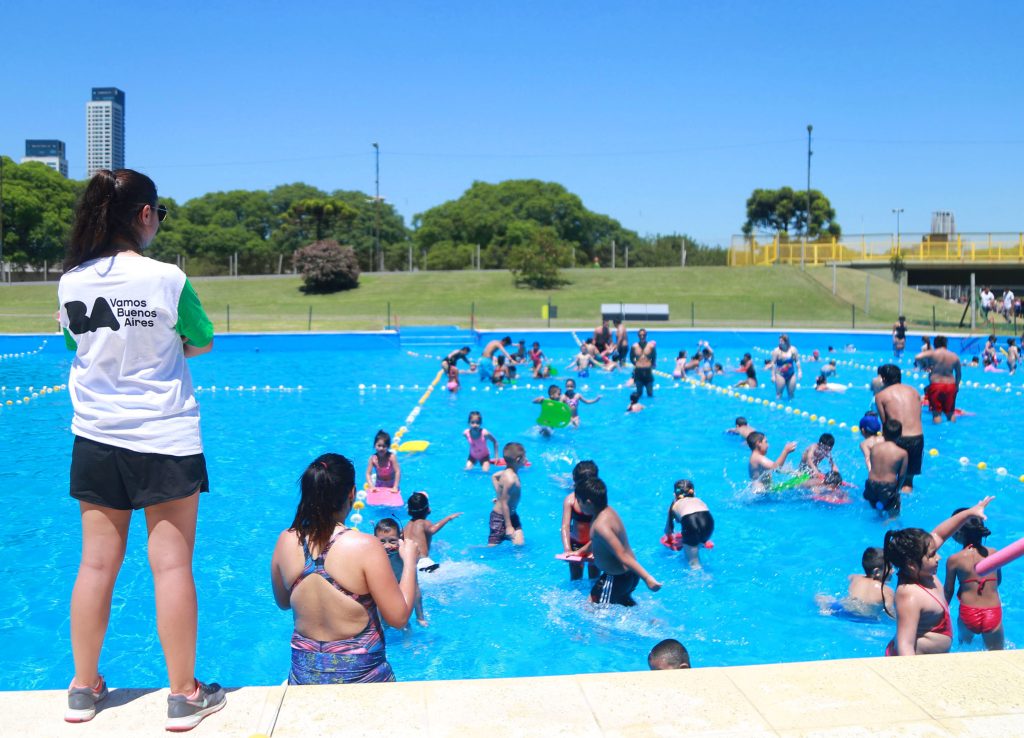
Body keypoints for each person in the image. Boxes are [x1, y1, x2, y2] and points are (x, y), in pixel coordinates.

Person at [58, 169, 224, 729]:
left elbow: (79, 345)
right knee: (171, 565)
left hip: (96, 435)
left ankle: (83, 688)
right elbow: (200, 340)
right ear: (145, 215)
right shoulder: (167, 278)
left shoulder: (70, 282)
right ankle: (183, 694)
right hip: (164, 436)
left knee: (95, 564)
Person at [271, 454, 420, 683]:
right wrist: (409, 562)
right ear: (351, 494)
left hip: (304, 677)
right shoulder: (365, 546)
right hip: (362, 678)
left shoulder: (285, 540)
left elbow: (283, 602)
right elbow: (398, 618)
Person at [881, 497, 995, 656]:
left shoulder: (921, 567)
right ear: (911, 565)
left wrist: (969, 513)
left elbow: (940, 534)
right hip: (916, 664)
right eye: (932, 555)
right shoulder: (910, 595)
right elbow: (905, 644)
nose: (939, 557)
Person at [575, 477, 662, 606]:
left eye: (579, 502)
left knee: (592, 610)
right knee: (624, 603)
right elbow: (599, 540)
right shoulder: (607, 512)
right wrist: (583, 551)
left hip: (615, 577)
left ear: (588, 502)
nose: (578, 505)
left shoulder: (601, 526)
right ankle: (654, 622)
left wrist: (647, 578)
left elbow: (622, 555)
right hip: (626, 576)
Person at [943, 510, 1005, 650]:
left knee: (964, 651)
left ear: (958, 533)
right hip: (992, 612)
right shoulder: (995, 553)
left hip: (968, 613)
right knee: (998, 655)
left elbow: (948, 591)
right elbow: (998, 581)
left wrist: (942, 614)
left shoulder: (954, 560)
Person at [874, 364, 923, 493]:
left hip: (897, 438)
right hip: (917, 438)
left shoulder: (881, 396)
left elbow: (885, 424)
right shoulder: (914, 392)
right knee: (908, 482)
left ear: (883, 379)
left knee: (888, 477)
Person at [815, 547, 895, 620]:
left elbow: (850, 576)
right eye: (890, 567)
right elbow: (890, 613)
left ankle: (825, 609)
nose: (893, 571)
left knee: (822, 597)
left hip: (842, 610)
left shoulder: (856, 578)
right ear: (876, 572)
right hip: (864, 619)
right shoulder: (887, 591)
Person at [373, 518, 427, 627]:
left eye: (392, 541)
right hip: (383, 592)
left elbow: (416, 591)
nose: (387, 546)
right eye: (382, 541)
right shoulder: (374, 557)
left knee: (405, 625)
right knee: (382, 621)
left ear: (400, 538)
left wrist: (420, 617)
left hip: (400, 589)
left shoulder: (405, 557)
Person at [560, 460, 600, 581]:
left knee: (594, 578)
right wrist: (567, 549)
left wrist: (593, 547)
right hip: (575, 544)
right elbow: (565, 527)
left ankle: (592, 599)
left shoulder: (597, 502)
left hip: (594, 544)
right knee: (576, 578)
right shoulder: (570, 500)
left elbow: (598, 531)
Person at [405, 492, 461, 573]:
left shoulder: (407, 526)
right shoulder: (423, 523)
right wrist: (448, 518)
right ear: (428, 509)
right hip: (424, 563)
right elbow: (433, 529)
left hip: (409, 564)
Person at [664, 479, 714, 570]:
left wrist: (670, 541)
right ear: (693, 493)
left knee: (694, 564)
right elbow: (699, 519)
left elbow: (668, 530)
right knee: (697, 542)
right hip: (708, 522)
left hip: (689, 522)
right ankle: (699, 544)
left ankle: (704, 581)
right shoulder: (698, 500)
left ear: (674, 495)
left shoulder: (674, 505)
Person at [864, 419, 909, 516]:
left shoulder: (874, 448)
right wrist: (897, 490)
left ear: (883, 433)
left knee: (877, 510)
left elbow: (873, 466)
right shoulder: (902, 453)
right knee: (894, 514)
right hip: (888, 487)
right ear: (900, 435)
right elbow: (902, 476)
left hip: (871, 485)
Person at [914, 335, 961, 424]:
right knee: (950, 413)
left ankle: (938, 435)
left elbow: (917, 357)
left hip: (936, 385)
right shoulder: (954, 356)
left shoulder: (933, 353)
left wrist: (924, 365)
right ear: (946, 344)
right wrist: (957, 385)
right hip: (950, 385)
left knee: (936, 414)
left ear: (935, 344)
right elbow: (958, 374)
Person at [488, 442, 527, 546]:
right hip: (500, 519)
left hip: (512, 515)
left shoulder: (510, 472)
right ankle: (472, 551)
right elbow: (505, 503)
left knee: (520, 545)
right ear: (518, 460)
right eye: (525, 457)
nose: (526, 460)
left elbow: (494, 476)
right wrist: (509, 526)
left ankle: (520, 562)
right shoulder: (510, 479)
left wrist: (499, 496)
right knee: (492, 549)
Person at [770, 334, 801, 400]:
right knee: (779, 394)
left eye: (781, 341)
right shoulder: (776, 351)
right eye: (779, 341)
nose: (780, 343)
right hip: (780, 374)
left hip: (791, 374)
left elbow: (797, 361)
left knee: (791, 394)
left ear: (786, 342)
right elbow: (773, 364)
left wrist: (800, 371)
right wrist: (772, 376)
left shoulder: (793, 350)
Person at [630, 328, 657, 398]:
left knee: (650, 393)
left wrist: (651, 364)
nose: (642, 337)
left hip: (648, 372)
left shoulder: (651, 346)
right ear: (638, 336)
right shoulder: (634, 346)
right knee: (639, 394)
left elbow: (654, 357)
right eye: (640, 335)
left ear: (646, 336)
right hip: (638, 372)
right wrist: (637, 364)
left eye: (643, 335)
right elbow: (631, 358)